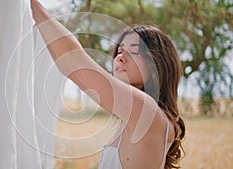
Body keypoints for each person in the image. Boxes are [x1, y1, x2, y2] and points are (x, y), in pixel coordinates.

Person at [30, 1, 185, 169]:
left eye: (134, 51)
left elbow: (74, 62)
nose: (120, 58)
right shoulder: (132, 119)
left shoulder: (147, 112)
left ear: (156, 66)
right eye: (119, 51)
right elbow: (67, 65)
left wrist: (33, 6)